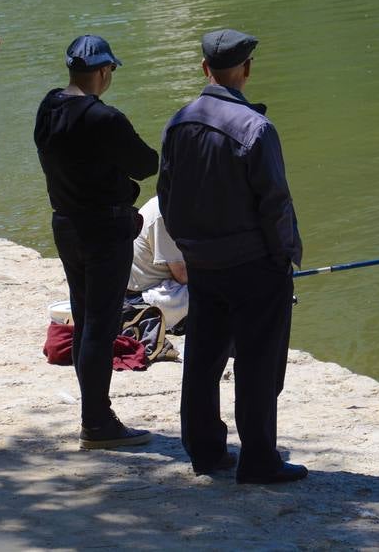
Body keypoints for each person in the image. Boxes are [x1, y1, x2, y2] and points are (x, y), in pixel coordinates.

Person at [158, 28, 306, 483]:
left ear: (205, 68)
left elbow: (166, 196)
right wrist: (285, 256)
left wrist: (190, 247)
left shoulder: (178, 123)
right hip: (254, 265)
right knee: (258, 362)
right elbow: (275, 203)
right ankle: (259, 460)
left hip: (203, 263)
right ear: (246, 70)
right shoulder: (257, 129)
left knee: (203, 357)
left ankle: (204, 451)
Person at [34, 34, 159, 449]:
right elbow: (146, 165)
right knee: (100, 328)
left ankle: (96, 416)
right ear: (104, 71)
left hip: (65, 223)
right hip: (103, 229)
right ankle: (97, 421)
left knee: (86, 319)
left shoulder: (49, 107)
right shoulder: (104, 118)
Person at [127, 196, 189, 331]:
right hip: (145, 293)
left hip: (164, 283)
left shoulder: (173, 204)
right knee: (214, 291)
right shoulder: (164, 214)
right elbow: (182, 276)